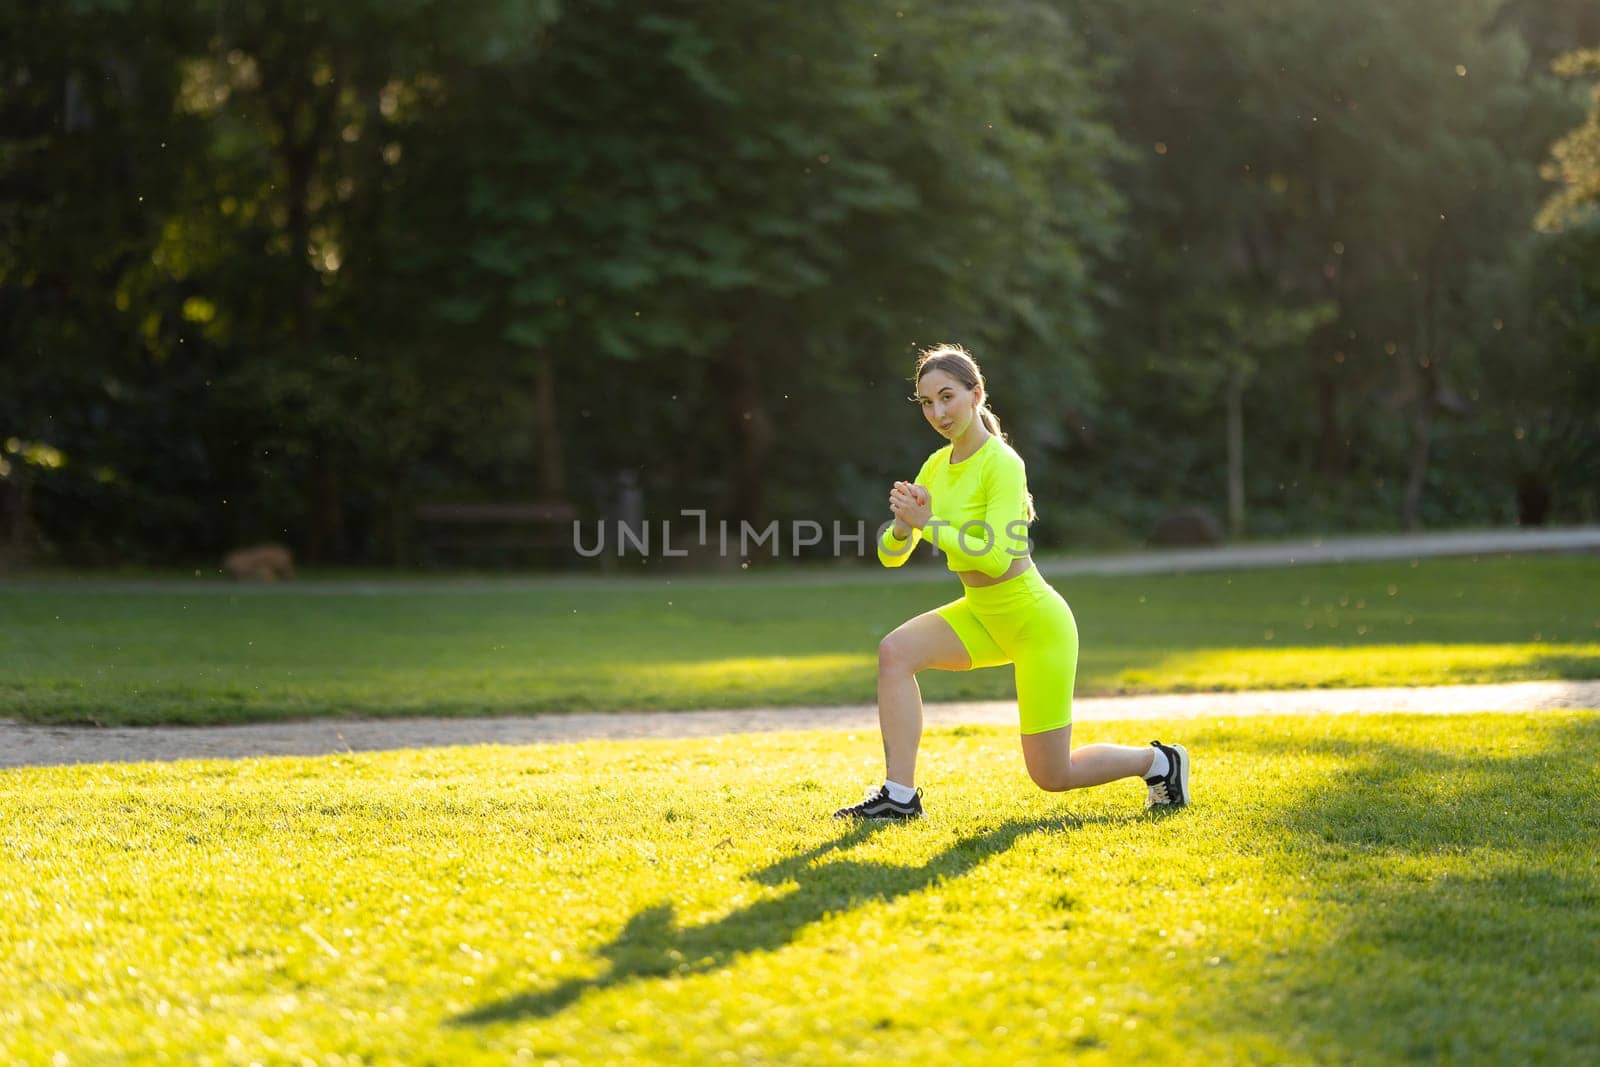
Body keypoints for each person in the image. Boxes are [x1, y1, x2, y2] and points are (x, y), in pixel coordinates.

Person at [833, 343, 1190, 820]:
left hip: (1034, 621)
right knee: (894, 653)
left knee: (1052, 774)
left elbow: (999, 557)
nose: (938, 412)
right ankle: (899, 797)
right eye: (926, 403)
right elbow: (891, 557)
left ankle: (1160, 762)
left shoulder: (1003, 463)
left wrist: (928, 523)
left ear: (976, 393)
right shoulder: (937, 467)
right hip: (981, 614)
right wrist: (902, 526)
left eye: (947, 397)